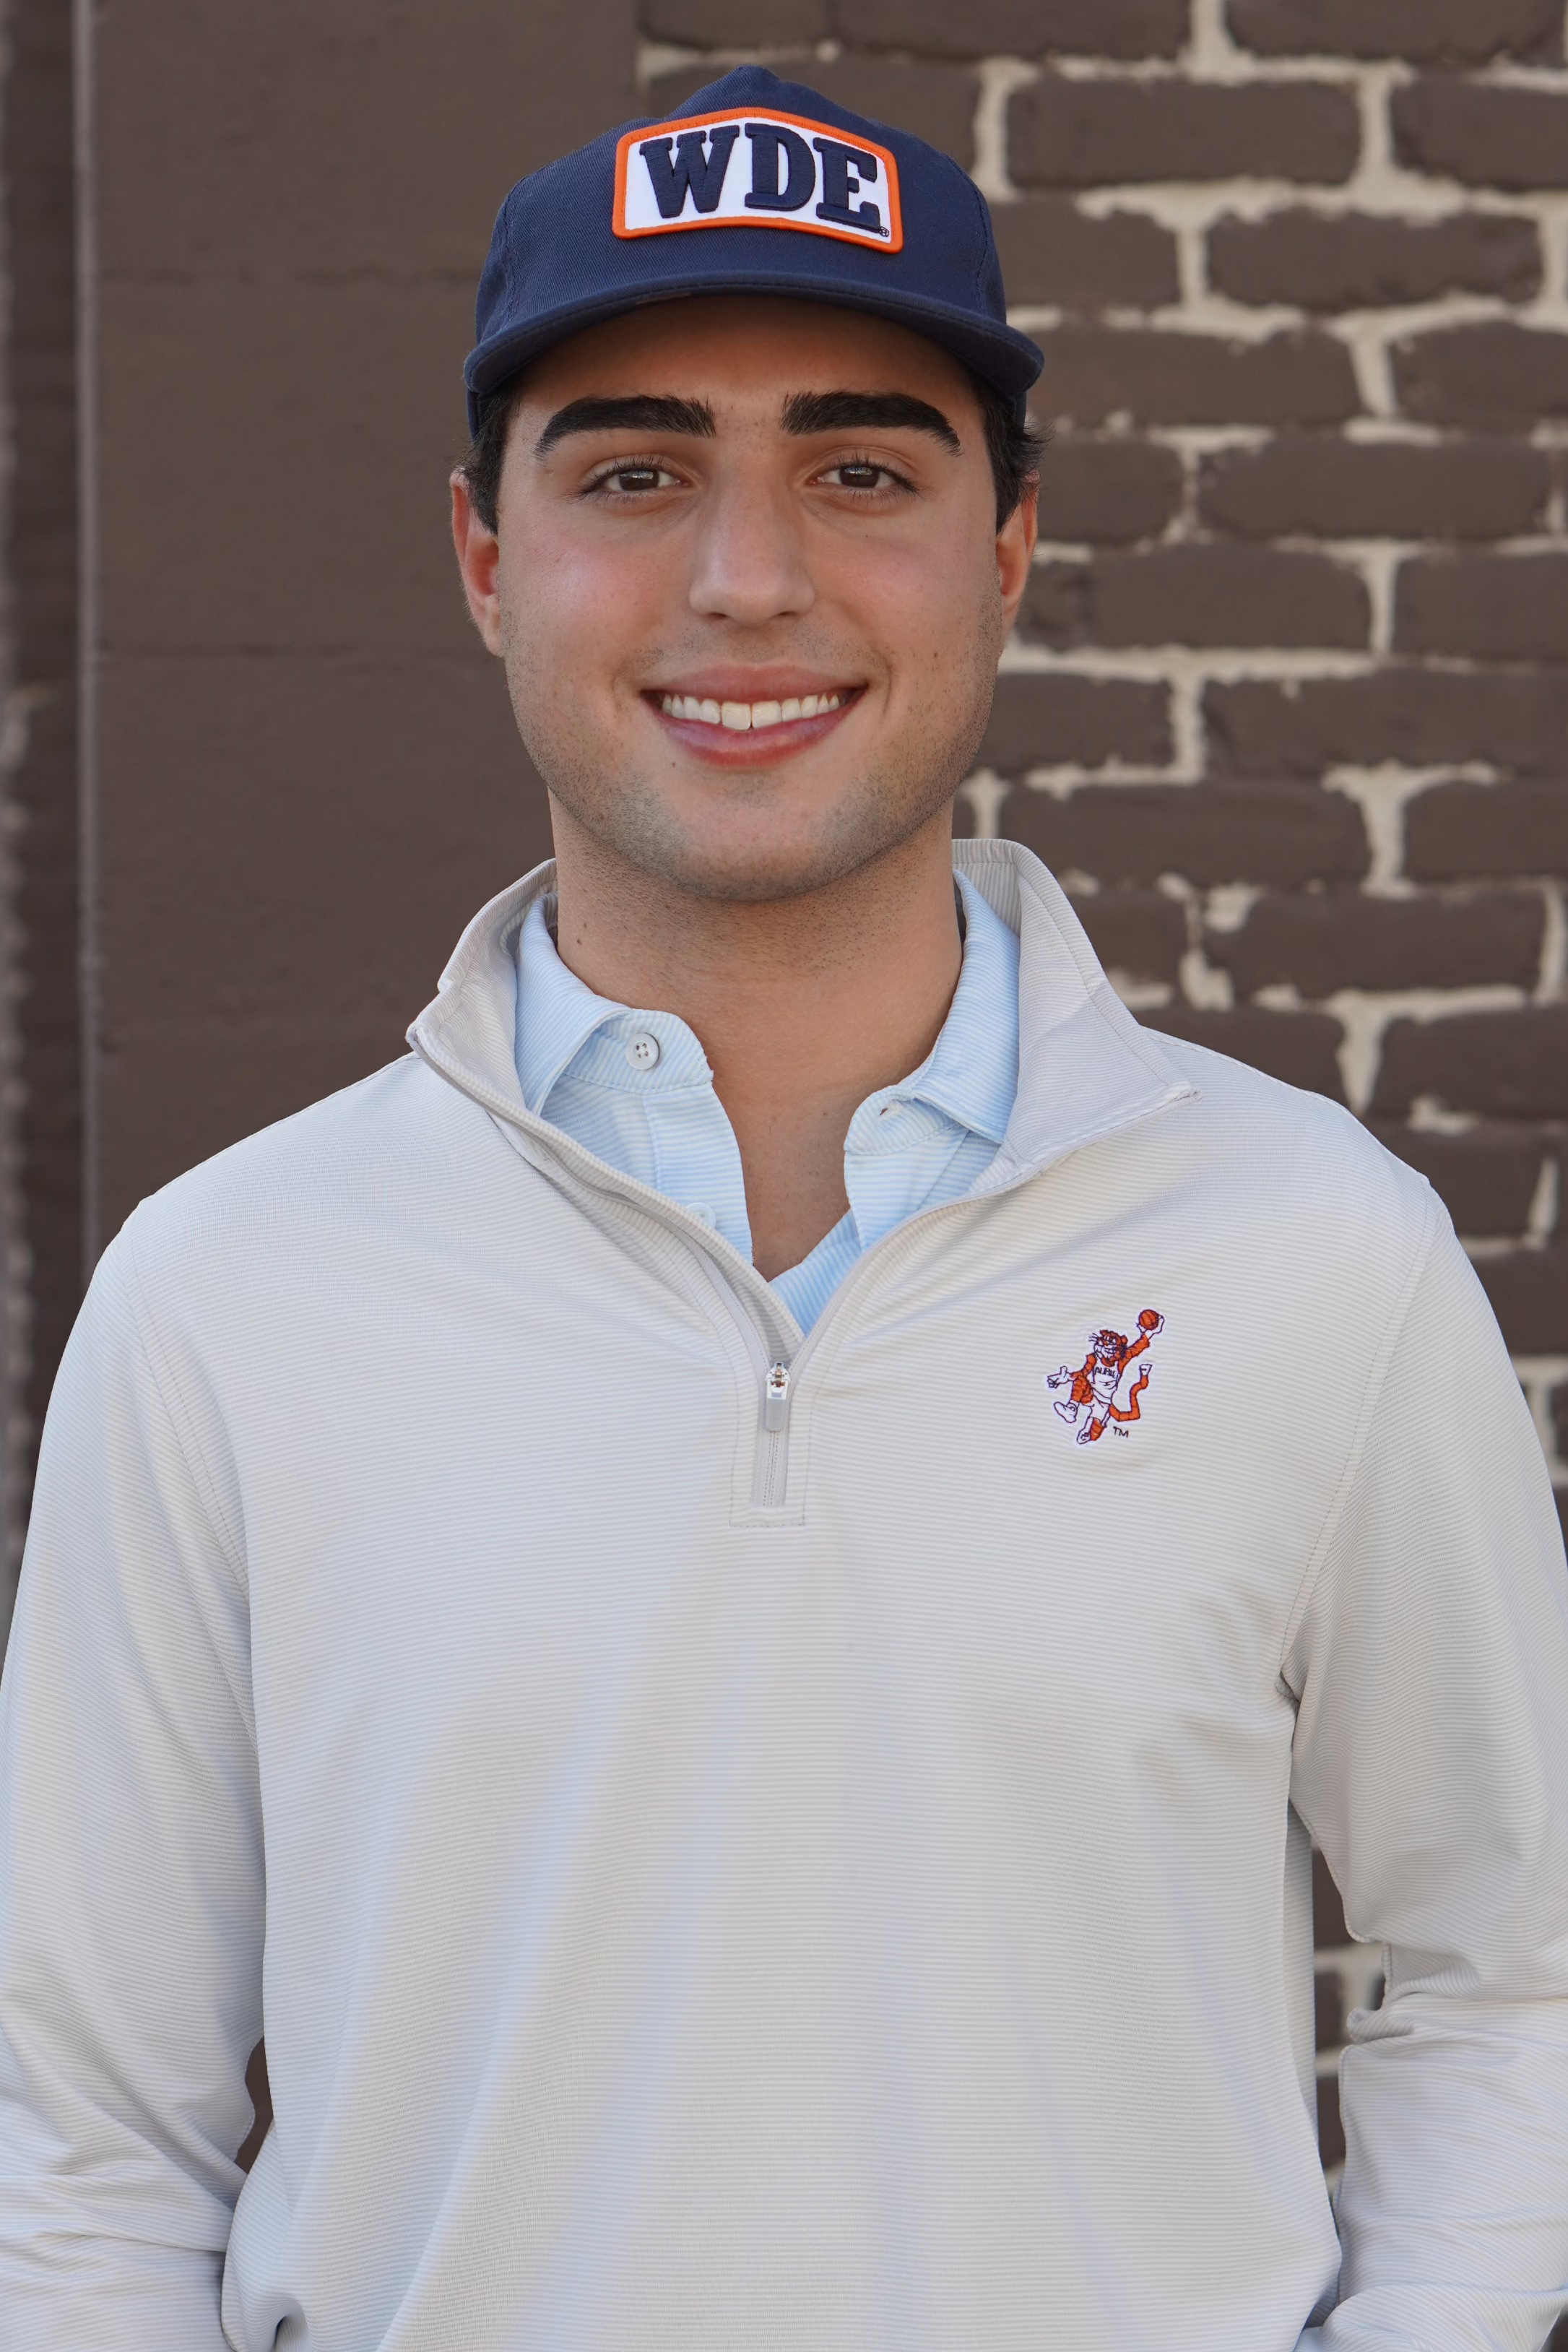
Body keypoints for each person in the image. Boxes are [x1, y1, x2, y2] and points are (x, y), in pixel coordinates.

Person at [0, 62, 1564, 2352]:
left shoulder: (1313, 1254)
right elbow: (79, 2144)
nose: (748, 579)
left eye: (862, 471)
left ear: (1007, 550)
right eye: (636, 474)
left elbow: (1508, 1968)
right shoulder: (227, 1296)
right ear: (485, 558)